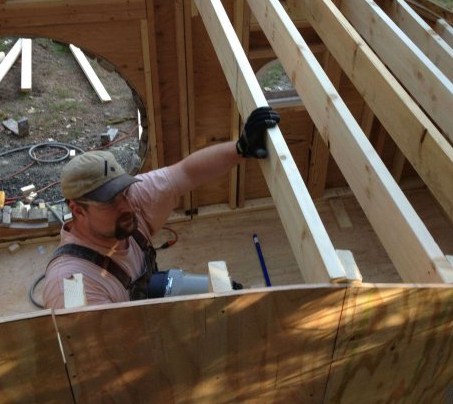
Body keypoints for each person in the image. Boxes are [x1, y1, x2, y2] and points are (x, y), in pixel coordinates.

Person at [43, 107, 280, 308]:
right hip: (125, 336)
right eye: (110, 201)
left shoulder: (131, 200)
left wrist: (241, 148)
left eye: (124, 192)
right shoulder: (72, 284)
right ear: (78, 210)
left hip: (143, 304)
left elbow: (186, 173)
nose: (126, 206)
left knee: (226, 293)